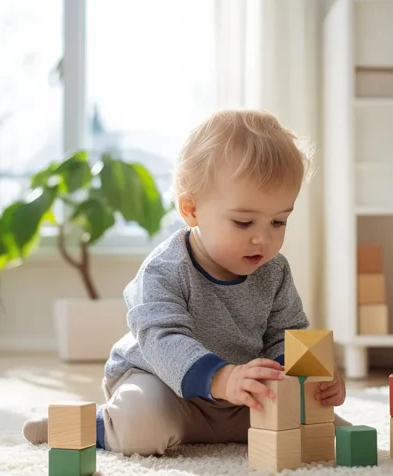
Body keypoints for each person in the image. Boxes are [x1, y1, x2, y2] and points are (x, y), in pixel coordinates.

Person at [22, 109, 349, 455]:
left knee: (320, 425)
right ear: (191, 210)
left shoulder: (274, 271)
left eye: (278, 222)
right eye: (243, 222)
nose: (262, 239)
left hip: (242, 395)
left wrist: (312, 376)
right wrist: (221, 378)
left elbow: (287, 335)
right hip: (164, 388)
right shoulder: (164, 270)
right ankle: (91, 424)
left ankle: (229, 426)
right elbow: (163, 339)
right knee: (140, 428)